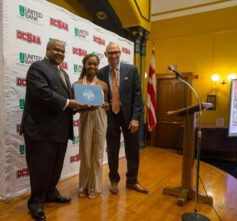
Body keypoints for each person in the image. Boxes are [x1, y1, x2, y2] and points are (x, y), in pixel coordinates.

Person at [20, 39, 82, 221]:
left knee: (55, 168)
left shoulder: (64, 73)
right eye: (56, 50)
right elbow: (43, 93)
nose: (60, 54)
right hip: (41, 131)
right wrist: (69, 102)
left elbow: (68, 100)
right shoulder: (37, 68)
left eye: (63, 51)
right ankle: (36, 202)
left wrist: (81, 106)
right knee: (40, 169)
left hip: (60, 131)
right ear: (47, 50)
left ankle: (50, 192)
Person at [97, 43, 149, 195]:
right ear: (105, 55)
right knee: (112, 150)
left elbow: (138, 96)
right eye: (110, 53)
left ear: (120, 53)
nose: (113, 55)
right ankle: (114, 180)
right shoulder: (100, 73)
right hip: (110, 116)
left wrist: (135, 118)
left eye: (116, 52)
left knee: (133, 150)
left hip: (129, 118)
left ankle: (132, 181)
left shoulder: (131, 70)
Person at [74, 53, 109, 199]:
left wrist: (107, 105)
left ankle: (95, 187)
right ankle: (83, 186)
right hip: (86, 117)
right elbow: (75, 107)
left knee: (98, 154)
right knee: (85, 154)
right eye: (90, 64)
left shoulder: (103, 85)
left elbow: (106, 104)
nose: (92, 66)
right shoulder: (78, 84)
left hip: (100, 117)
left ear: (97, 66)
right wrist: (84, 107)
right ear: (85, 65)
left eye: (95, 64)